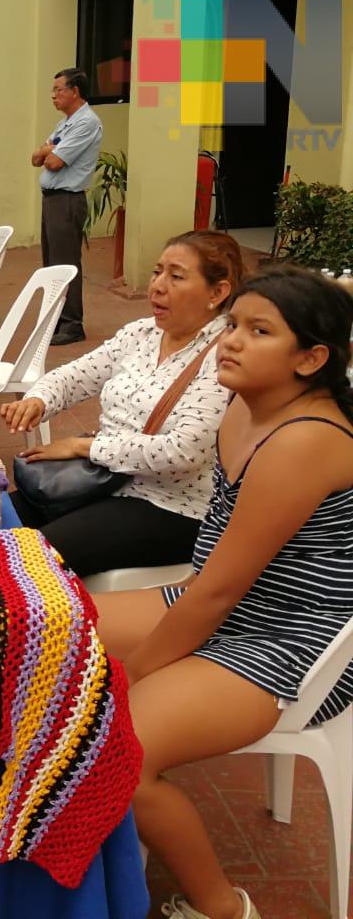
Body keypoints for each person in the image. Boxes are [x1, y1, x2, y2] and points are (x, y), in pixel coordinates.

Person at [94, 265, 353, 919]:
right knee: (54, 630)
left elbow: (217, 594)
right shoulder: (246, 404)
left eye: (258, 331)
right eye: (232, 324)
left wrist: (139, 673)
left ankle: (222, 907)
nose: (230, 341)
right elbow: (211, 587)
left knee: (115, 745)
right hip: (224, 600)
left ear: (312, 359)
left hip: (292, 636)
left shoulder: (306, 440)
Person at [1, 231, 245, 577]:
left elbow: (183, 452)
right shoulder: (141, 334)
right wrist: (39, 399)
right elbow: (76, 375)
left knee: (29, 561)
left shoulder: (224, 354)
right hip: (102, 480)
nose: (158, 286)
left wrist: (83, 447)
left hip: (168, 505)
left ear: (217, 292)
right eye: (157, 272)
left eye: (176, 276)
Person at [32, 67, 103, 346]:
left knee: (65, 263)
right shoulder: (66, 123)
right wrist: (48, 150)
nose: (53, 96)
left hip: (67, 200)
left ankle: (73, 324)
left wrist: (48, 151)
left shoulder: (86, 122)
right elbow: (36, 157)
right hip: (52, 199)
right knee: (52, 263)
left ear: (75, 91)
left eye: (58, 90)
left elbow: (53, 161)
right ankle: (57, 319)